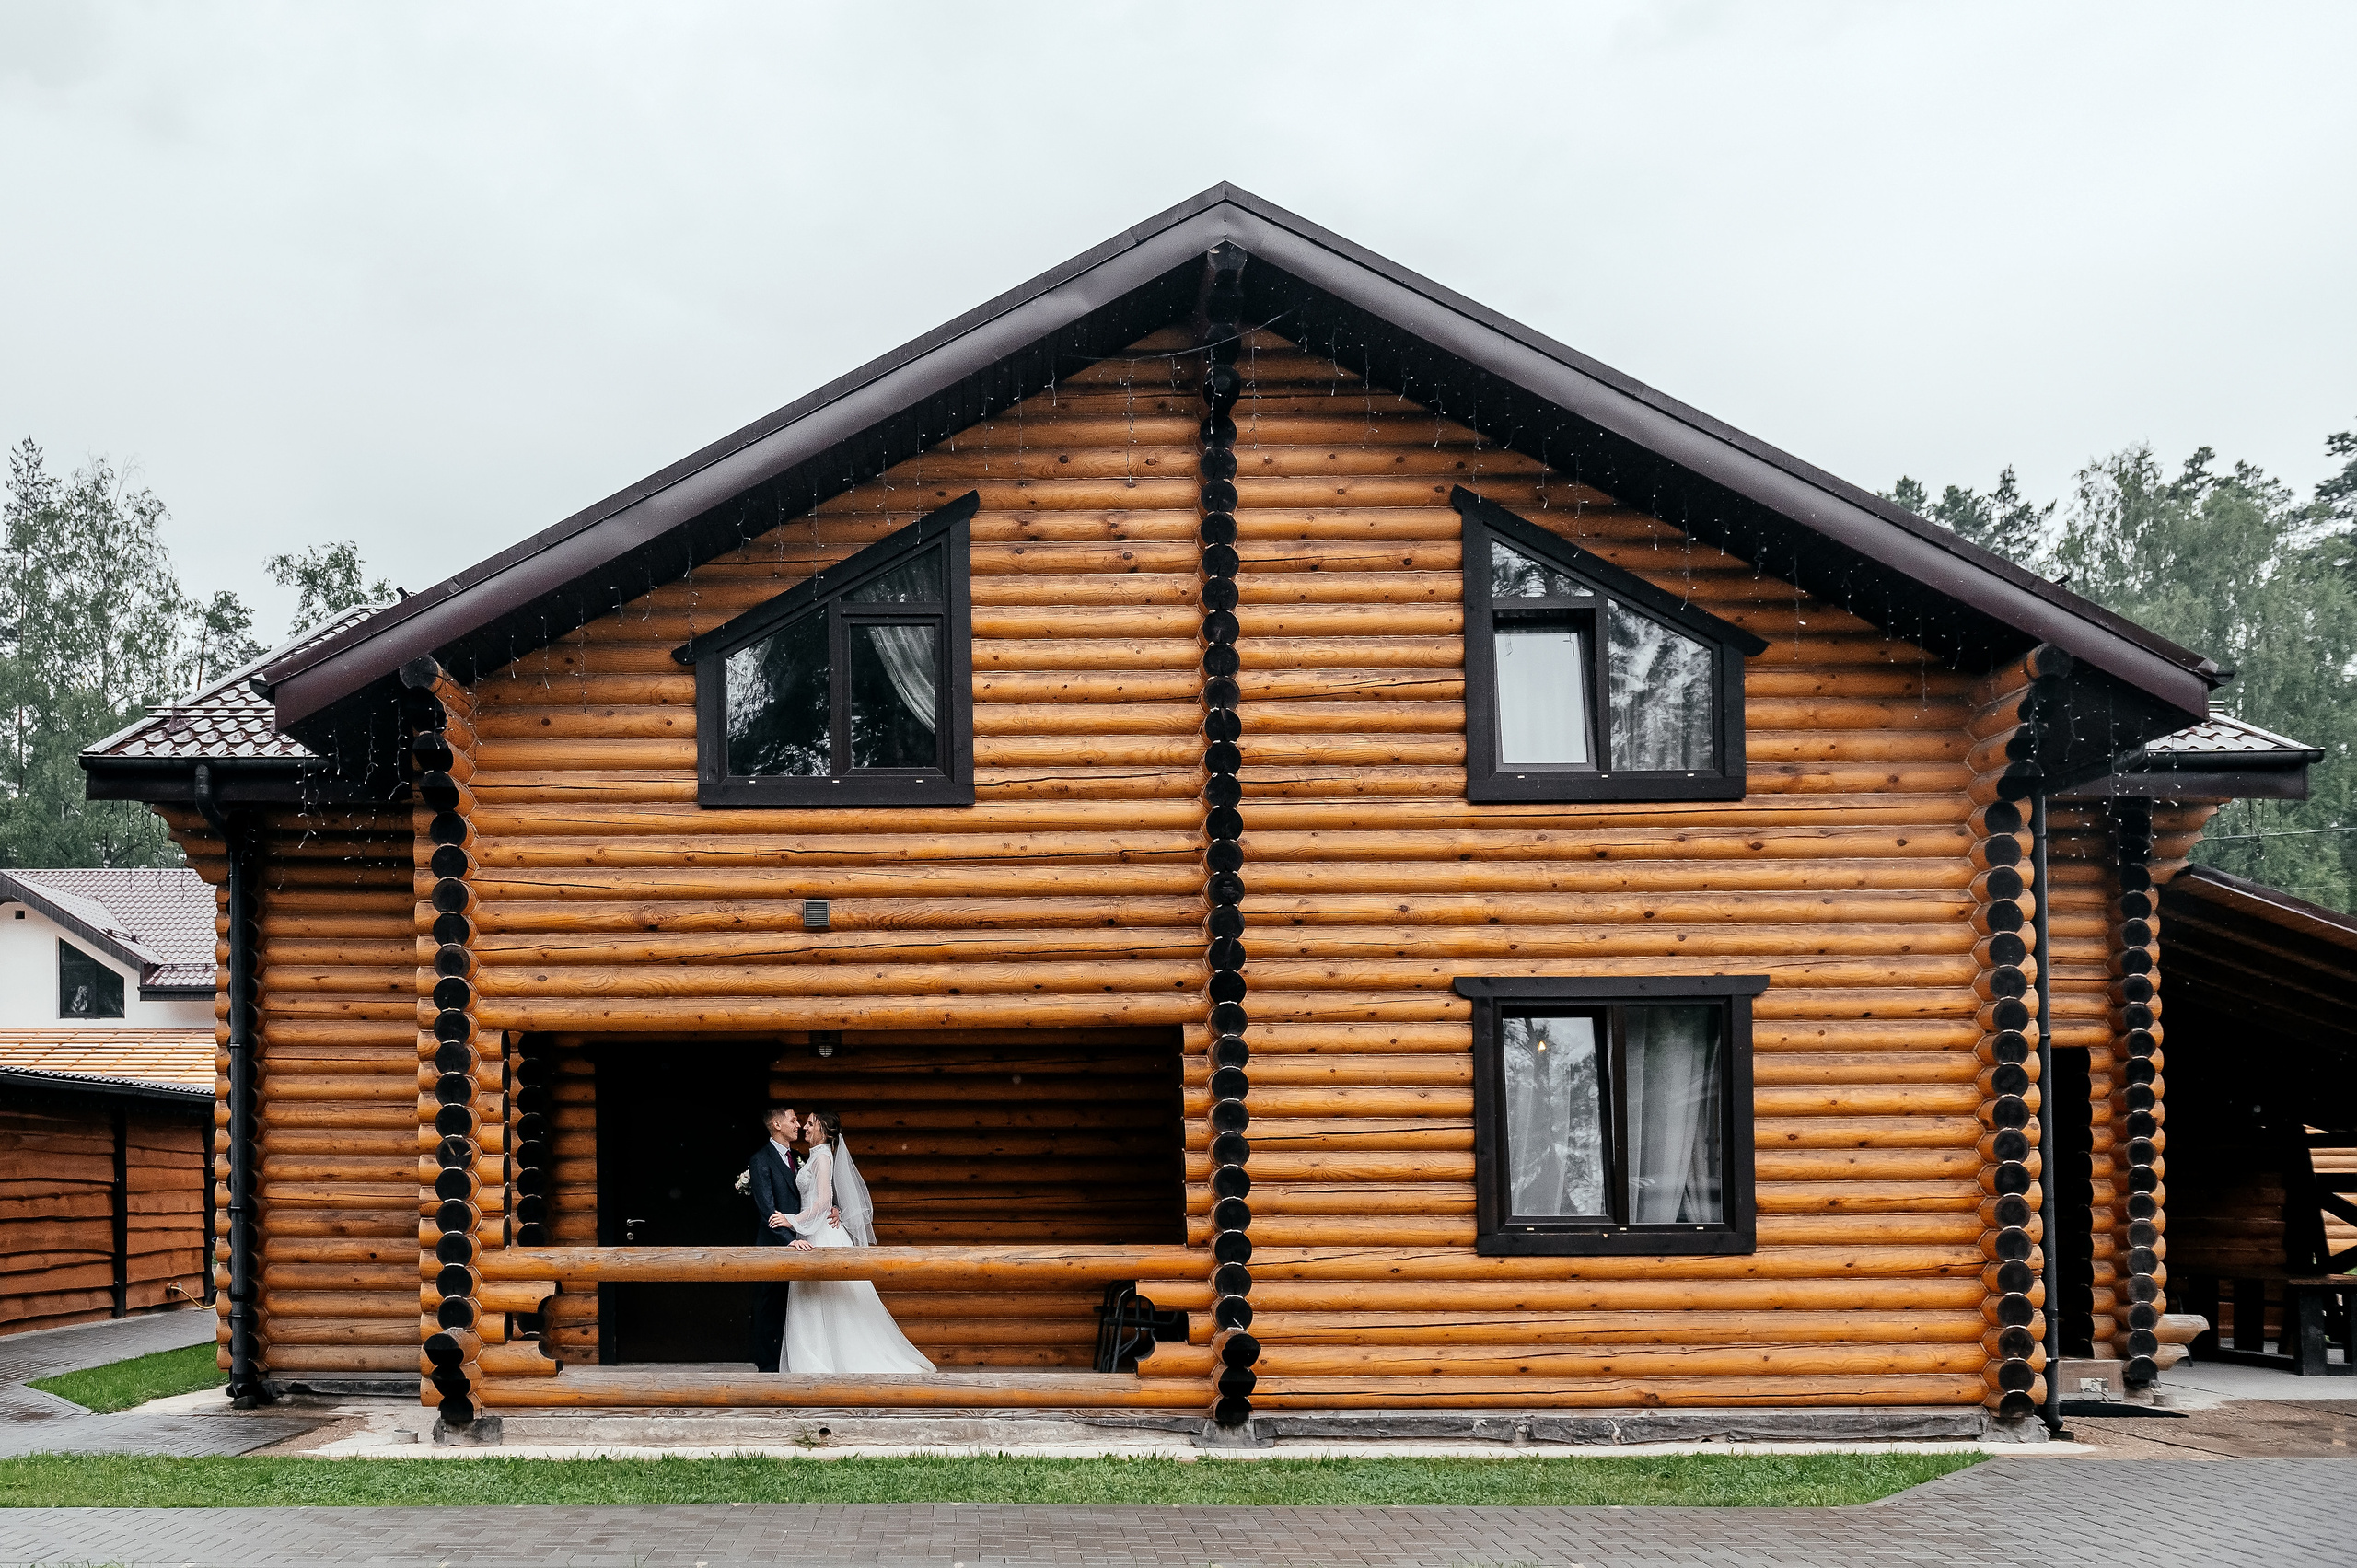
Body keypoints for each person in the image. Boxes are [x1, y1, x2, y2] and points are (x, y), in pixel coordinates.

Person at [779, 1109, 935, 1375]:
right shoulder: (817, 1156)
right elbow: (824, 1199)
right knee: (814, 1297)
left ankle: (826, 1359)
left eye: (811, 1123)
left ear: (823, 1130)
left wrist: (791, 1220)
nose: (805, 1127)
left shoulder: (823, 1158)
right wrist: (827, 1212)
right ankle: (819, 1357)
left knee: (826, 1297)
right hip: (812, 1230)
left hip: (820, 1234)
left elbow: (823, 1201)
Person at [745, 1105, 805, 1373]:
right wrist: (789, 1240)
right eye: (793, 1120)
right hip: (774, 1244)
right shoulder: (761, 1159)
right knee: (769, 1306)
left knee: (794, 1306)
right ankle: (768, 1367)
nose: (798, 1125)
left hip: (802, 1241)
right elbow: (767, 1209)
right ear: (777, 1125)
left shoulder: (799, 1158)